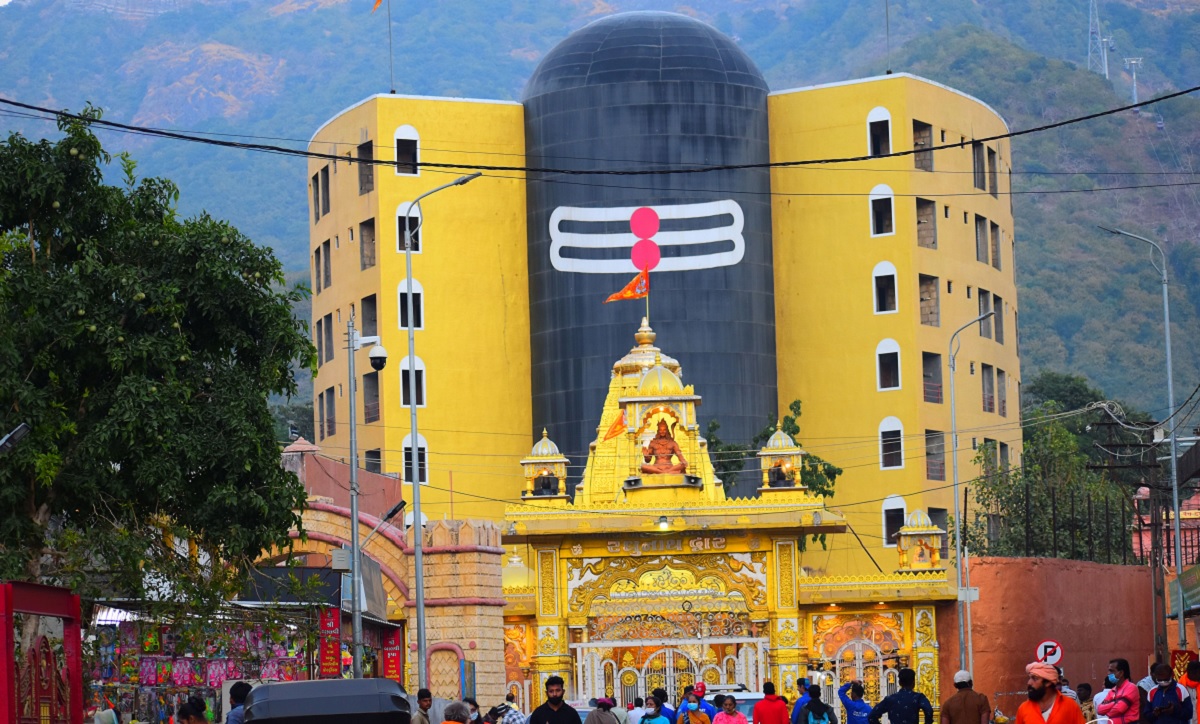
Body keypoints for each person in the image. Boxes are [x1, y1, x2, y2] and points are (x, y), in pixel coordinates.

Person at [1016, 663, 1084, 724]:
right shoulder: (1024, 708)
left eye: (1035, 679)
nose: (1029, 683)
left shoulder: (1070, 706)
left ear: (1048, 683)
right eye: (1030, 678)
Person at [869, 668, 933, 724]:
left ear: (899, 682)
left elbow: (872, 716)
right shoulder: (918, 697)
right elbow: (929, 710)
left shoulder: (890, 699)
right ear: (913, 682)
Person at [1099, 659, 1141, 724]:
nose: (1108, 673)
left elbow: (1119, 709)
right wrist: (1115, 702)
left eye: (1111, 671)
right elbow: (1100, 710)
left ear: (1121, 673)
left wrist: (1108, 707)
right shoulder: (1112, 690)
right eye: (1108, 670)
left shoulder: (1131, 688)